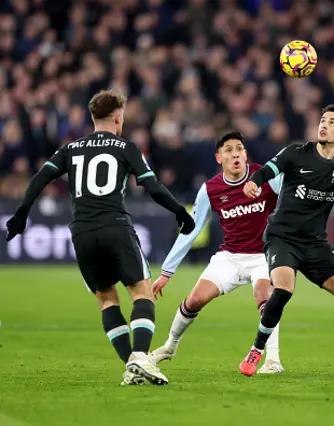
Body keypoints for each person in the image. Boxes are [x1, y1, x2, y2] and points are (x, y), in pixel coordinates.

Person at [4, 90, 195, 386]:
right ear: (118, 117)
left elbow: (41, 177)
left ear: (93, 117)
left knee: (107, 300)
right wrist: (179, 212)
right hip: (115, 225)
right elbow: (152, 186)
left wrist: (21, 213)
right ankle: (141, 358)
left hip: (81, 231)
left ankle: (131, 368)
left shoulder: (71, 148)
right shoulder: (126, 146)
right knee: (142, 293)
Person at [149, 131, 334, 374]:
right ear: (218, 158)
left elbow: (301, 191)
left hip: (265, 254)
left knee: (267, 296)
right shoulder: (210, 189)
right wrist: (167, 272)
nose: (235, 154)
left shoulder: (264, 176)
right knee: (195, 300)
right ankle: (169, 346)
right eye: (229, 151)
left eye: (239, 149)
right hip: (229, 256)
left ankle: (272, 361)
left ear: (245, 154)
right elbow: (191, 229)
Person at [238, 104, 334, 377]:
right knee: (283, 290)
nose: (324, 125)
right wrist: (254, 182)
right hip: (282, 238)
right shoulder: (296, 153)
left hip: (315, 243)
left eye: (332, 122)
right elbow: (266, 170)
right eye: (322, 120)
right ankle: (256, 350)